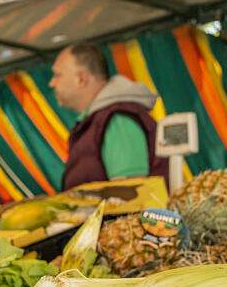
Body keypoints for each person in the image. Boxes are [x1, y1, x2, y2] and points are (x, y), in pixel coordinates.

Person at [49, 43, 169, 190]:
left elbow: (132, 195)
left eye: (57, 75)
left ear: (81, 78)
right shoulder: (97, 121)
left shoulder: (117, 119)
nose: (51, 83)